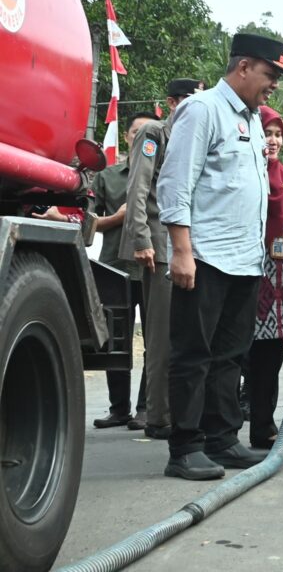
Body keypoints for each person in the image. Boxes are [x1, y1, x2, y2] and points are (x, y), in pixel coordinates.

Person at [157, 34, 283, 480]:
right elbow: (176, 183)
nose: (273, 84)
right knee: (193, 354)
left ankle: (222, 439)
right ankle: (186, 447)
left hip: (244, 260)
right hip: (206, 257)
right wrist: (181, 251)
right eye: (270, 74)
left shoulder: (252, 120)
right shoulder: (201, 110)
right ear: (244, 67)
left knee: (230, 356)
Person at [121, 77, 204, 440]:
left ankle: (176, 412)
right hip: (156, 241)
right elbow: (138, 186)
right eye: (187, 100)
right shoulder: (154, 133)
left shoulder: (195, 136)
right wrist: (140, 237)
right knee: (160, 335)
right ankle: (157, 415)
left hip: (185, 244)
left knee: (184, 334)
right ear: (172, 103)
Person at [242, 106, 283, 449]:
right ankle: (231, 426)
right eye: (267, 133)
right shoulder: (247, 171)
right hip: (252, 278)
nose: (273, 140)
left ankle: (264, 426)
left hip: (282, 284)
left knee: (272, 358)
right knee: (244, 357)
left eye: (277, 134)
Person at [88, 111, 158, 431]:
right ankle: (119, 409)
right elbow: (87, 224)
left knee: (154, 342)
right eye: (136, 132)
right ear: (128, 138)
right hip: (115, 268)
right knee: (116, 342)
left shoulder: (164, 176)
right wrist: (118, 218)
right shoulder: (108, 177)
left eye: (149, 132)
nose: (142, 137)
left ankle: (146, 408)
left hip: (153, 268)